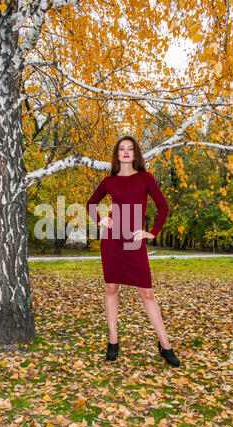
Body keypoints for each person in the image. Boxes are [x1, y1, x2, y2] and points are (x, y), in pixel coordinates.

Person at [86, 136, 180, 367]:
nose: (126, 152)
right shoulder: (109, 181)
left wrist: (152, 232)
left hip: (134, 242)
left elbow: (163, 208)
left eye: (130, 148)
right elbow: (90, 204)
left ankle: (165, 344)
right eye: (122, 148)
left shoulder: (146, 178)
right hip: (112, 241)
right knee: (111, 288)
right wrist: (100, 221)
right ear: (117, 154)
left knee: (147, 292)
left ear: (135, 153)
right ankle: (113, 341)